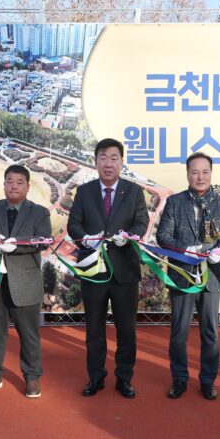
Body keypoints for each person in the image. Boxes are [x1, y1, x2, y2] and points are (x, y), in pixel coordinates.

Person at [67, 138, 149, 399]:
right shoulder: (85, 191)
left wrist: (130, 236)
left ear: (121, 163)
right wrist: (85, 239)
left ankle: (124, 378)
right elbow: (73, 224)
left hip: (125, 271)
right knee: (94, 329)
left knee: (126, 330)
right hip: (94, 272)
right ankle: (96, 377)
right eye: (103, 158)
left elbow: (142, 222)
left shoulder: (134, 192)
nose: (109, 163)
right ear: (96, 162)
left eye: (114, 158)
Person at [156, 152, 220, 400]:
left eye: (205, 172)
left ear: (211, 173)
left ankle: (208, 381)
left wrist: (219, 251)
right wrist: (185, 249)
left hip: (211, 276)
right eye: (195, 172)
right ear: (187, 174)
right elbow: (163, 236)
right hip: (182, 274)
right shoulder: (174, 202)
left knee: (210, 331)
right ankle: (179, 379)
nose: (200, 177)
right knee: (179, 331)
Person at [0, 165, 51, 398]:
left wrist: (17, 244)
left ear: (28, 186)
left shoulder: (39, 212)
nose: (13, 186)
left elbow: (44, 240)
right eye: (9, 181)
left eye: (19, 182)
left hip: (25, 282)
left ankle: (32, 377)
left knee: (29, 334)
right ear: (4, 184)